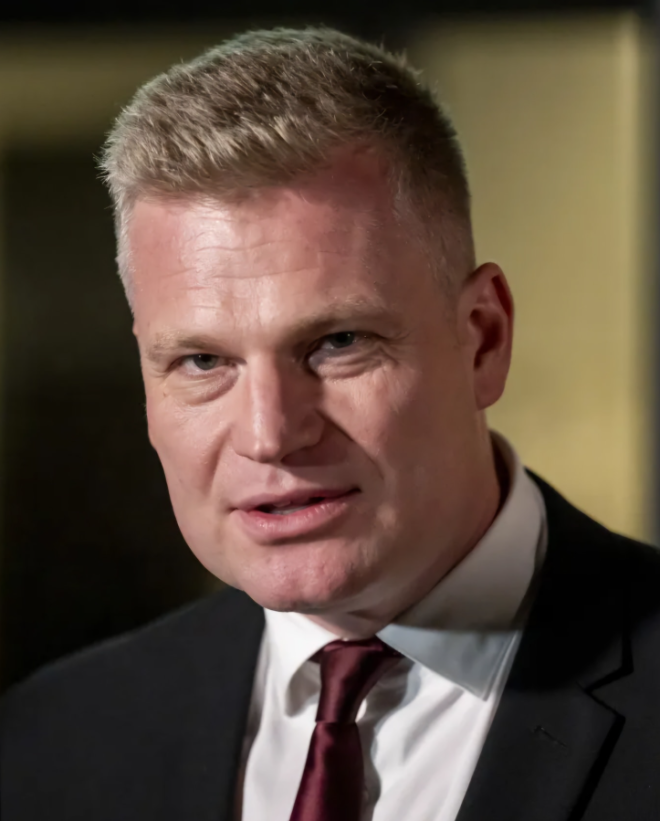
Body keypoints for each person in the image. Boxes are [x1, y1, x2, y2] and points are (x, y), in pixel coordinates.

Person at [2, 25, 660, 821]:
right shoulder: (51, 742)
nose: (270, 433)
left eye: (338, 343)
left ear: (483, 339)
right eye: (203, 361)